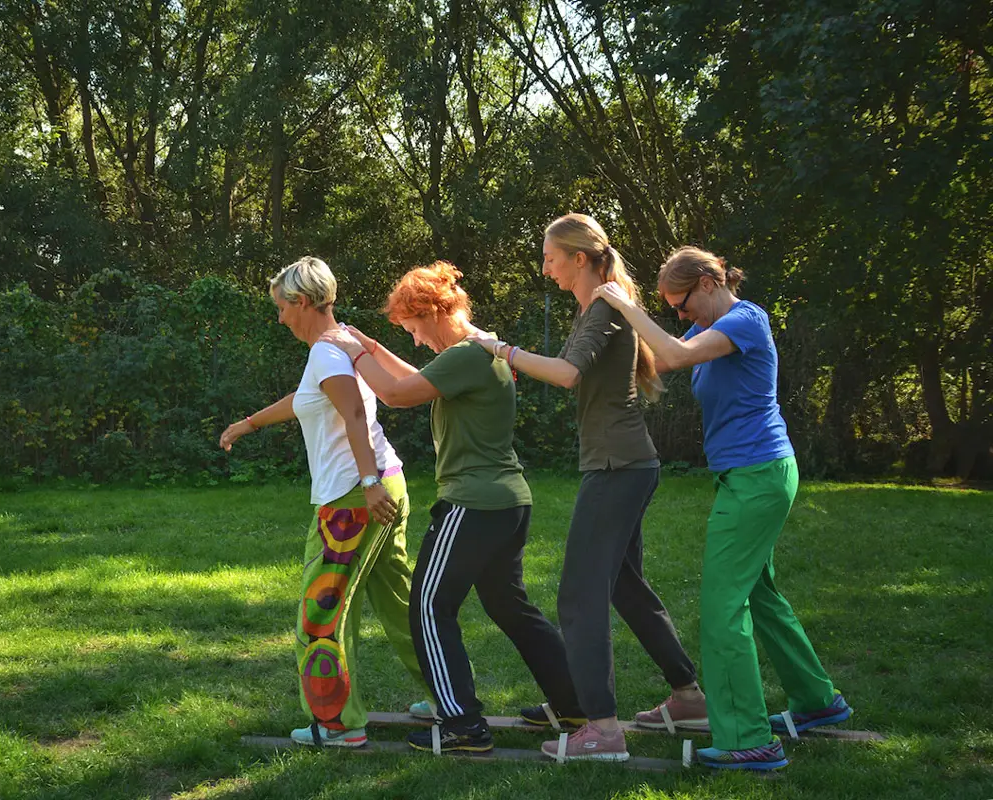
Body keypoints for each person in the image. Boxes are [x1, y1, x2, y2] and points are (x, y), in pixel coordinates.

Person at [592, 246, 852, 771]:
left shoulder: (746, 319)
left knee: (722, 608)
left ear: (709, 282)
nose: (680, 316)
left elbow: (679, 355)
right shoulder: (707, 329)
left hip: (758, 477)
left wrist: (623, 304)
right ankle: (816, 700)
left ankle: (750, 740)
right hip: (749, 476)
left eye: (682, 304)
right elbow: (664, 357)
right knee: (759, 594)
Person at [467, 214, 705, 762]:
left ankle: (602, 728)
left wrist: (498, 348)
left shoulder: (603, 304)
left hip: (617, 467)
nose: (544, 268)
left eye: (550, 258)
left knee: (578, 596)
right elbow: (571, 370)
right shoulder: (600, 304)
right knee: (625, 587)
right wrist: (517, 356)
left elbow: (569, 373)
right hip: (625, 462)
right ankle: (689, 696)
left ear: (579, 257)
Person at [323, 261, 582, 755]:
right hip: (507, 501)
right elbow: (419, 377)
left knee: (428, 606)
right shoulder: (476, 349)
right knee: (511, 607)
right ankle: (573, 703)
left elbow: (399, 395)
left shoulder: (467, 355)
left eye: (414, 329)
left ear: (432, 312)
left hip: (473, 503)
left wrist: (356, 355)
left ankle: (463, 725)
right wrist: (373, 348)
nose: (416, 340)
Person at [218, 256, 423, 748]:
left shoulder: (328, 354)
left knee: (321, 614)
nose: (280, 318)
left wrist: (368, 483)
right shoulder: (335, 347)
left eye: (282, 308)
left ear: (303, 302)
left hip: (353, 499)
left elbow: (353, 413)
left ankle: (337, 725)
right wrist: (249, 423)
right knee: (399, 604)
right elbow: (307, 399)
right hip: (383, 484)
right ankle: (449, 696)